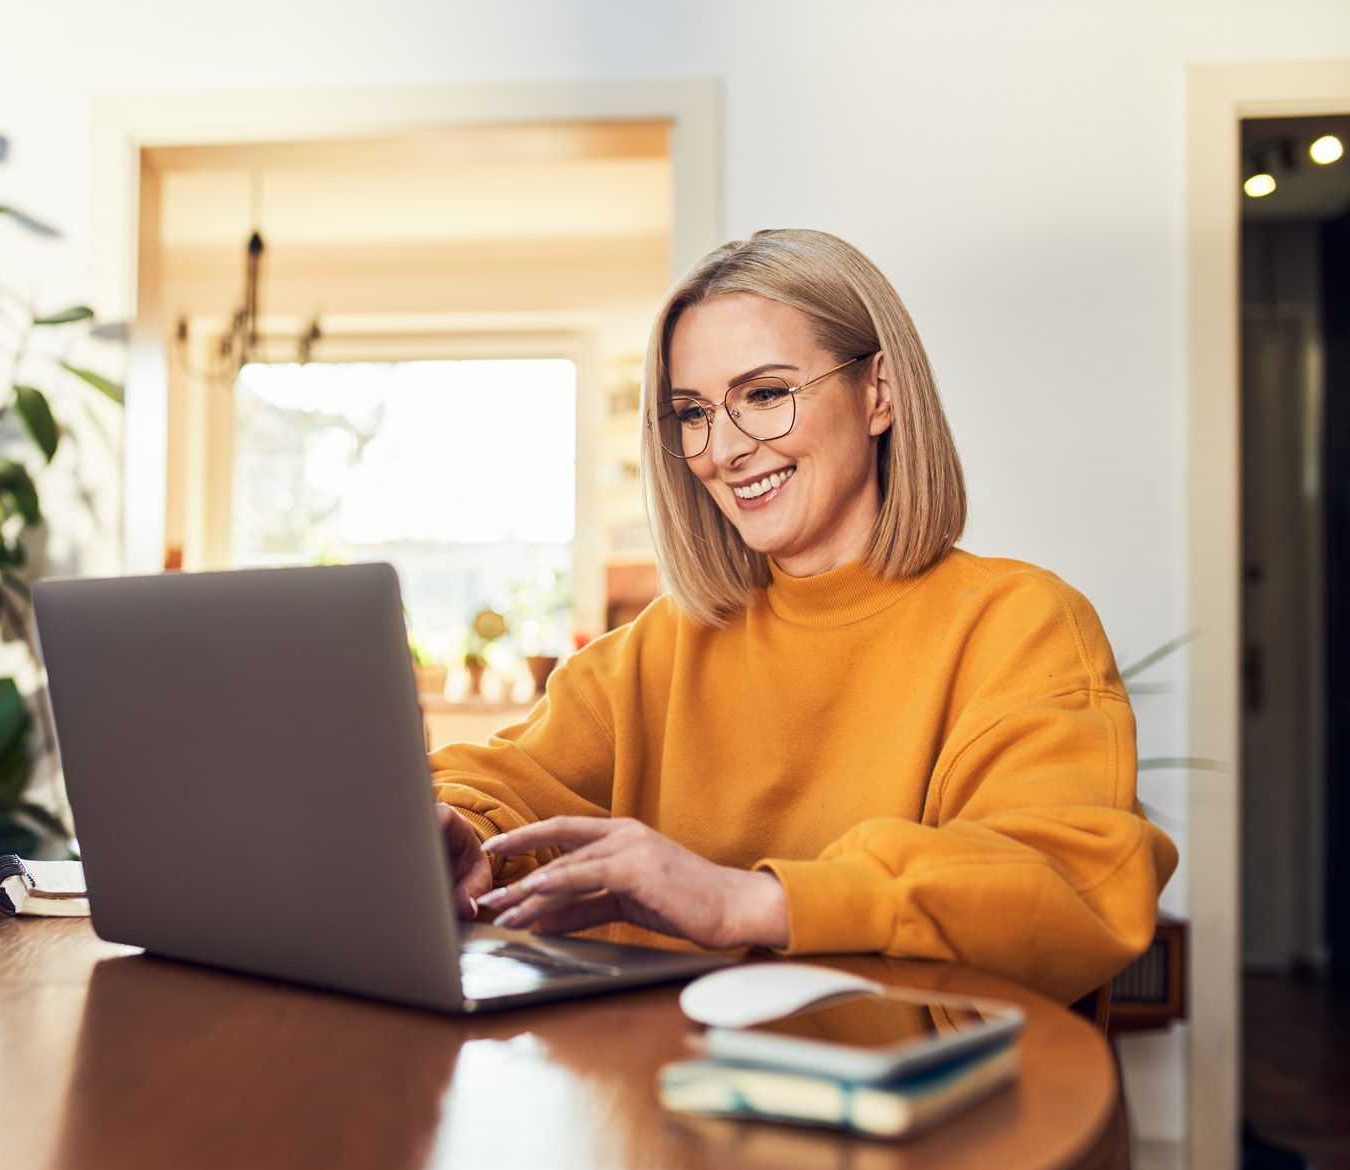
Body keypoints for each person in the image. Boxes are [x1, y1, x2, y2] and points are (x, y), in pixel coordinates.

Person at [430, 229, 1177, 1003]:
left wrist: (752, 901)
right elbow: (498, 778)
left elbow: (1073, 883)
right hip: (671, 1094)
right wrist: (459, 828)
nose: (722, 449)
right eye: (693, 412)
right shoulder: (662, 646)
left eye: (763, 395)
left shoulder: (1019, 625)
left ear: (878, 392)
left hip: (905, 1107)